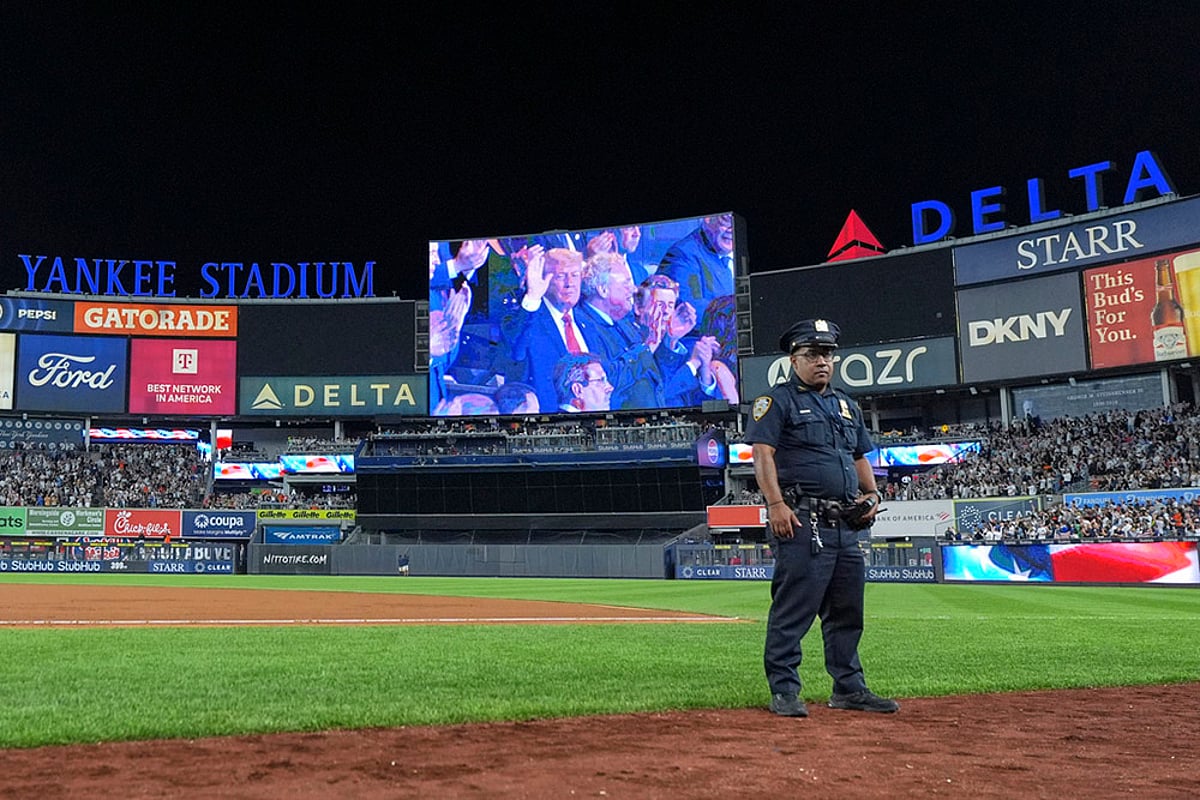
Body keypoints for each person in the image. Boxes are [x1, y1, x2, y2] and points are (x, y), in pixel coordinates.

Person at [742, 318, 898, 718]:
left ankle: (849, 689)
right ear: (794, 360)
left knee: (848, 612)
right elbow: (762, 453)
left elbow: (860, 456)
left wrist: (872, 495)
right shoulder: (777, 401)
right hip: (801, 521)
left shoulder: (846, 404)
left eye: (827, 354)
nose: (822, 361)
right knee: (794, 610)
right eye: (812, 354)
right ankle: (785, 690)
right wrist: (776, 505)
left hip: (845, 524)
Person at [506, 248, 596, 411]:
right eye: (561, 276)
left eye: (575, 275)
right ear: (544, 280)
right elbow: (515, 352)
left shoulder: (589, 322)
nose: (570, 283)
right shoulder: (531, 322)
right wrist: (533, 296)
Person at [656, 213, 736, 322]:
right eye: (726, 221)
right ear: (707, 218)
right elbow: (691, 309)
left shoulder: (736, 252)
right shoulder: (683, 254)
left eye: (735, 223)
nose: (732, 229)